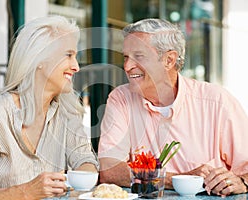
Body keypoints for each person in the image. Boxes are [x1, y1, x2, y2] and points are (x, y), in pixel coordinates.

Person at [0, 15, 99, 200]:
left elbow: (85, 159)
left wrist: (82, 177)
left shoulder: (67, 112)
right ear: (40, 59)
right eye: (68, 55)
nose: (76, 66)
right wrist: (27, 192)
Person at [98, 18, 248, 196]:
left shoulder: (217, 102)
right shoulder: (120, 99)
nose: (127, 66)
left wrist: (241, 182)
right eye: (126, 57)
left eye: (139, 56)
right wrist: (181, 179)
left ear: (169, 60)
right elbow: (110, 171)